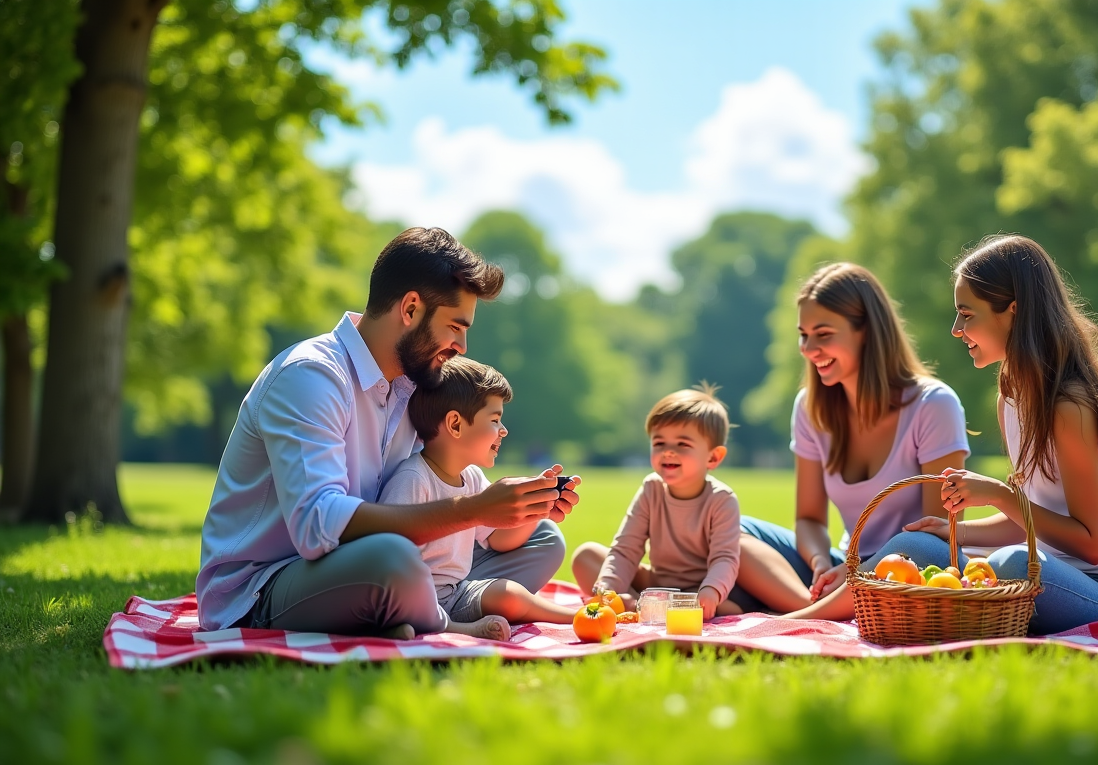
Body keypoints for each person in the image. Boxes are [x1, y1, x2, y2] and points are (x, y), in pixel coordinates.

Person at [196, 227, 580, 638]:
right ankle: (444, 620)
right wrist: (475, 509)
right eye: (455, 326)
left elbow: (439, 492)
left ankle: (420, 607)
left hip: (375, 568)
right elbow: (317, 525)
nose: (463, 345)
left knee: (542, 537)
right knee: (392, 557)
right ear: (411, 308)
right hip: (264, 589)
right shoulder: (312, 375)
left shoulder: (415, 387)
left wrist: (519, 507)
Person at [874, 234, 1098, 634]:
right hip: (1049, 570)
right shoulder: (1011, 396)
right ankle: (817, 608)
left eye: (967, 314)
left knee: (1009, 564)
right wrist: (955, 532)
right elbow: (1029, 518)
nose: (956, 329)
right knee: (917, 549)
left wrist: (997, 494)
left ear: (1013, 311)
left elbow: (1092, 545)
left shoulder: (1068, 406)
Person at [729, 263, 970, 617]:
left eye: (823, 334)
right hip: (846, 563)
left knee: (917, 543)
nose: (809, 349)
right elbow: (809, 519)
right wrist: (818, 563)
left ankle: (798, 619)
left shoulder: (934, 405)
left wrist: (861, 570)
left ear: (867, 333)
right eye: (804, 335)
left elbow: (940, 531)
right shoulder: (810, 408)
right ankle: (816, 606)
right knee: (729, 529)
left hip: (913, 566)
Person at [378, 357, 578, 641]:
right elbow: (390, 558)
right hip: (411, 594)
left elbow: (497, 539)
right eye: (495, 420)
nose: (504, 430)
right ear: (455, 425)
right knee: (405, 602)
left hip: (454, 592)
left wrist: (538, 508)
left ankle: (576, 616)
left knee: (509, 594)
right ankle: (451, 628)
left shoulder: (470, 477)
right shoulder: (413, 479)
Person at [571, 385, 742, 619]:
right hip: (655, 584)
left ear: (713, 457)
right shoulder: (652, 488)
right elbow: (626, 548)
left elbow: (725, 557)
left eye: (682, 444)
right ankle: (632, 605)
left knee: (728, 608)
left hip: (696, 590)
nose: (668, 452)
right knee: (586, 556)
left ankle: (654, 608)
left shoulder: (721, 499)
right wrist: (609, 589)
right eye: (659, 443)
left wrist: (711, 589)